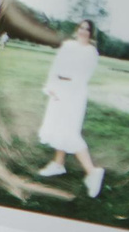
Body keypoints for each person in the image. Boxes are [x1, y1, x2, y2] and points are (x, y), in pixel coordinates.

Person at [35, 19, 107, 199]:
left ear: (91, 34)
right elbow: (55, 67)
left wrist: (65, 93)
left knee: (69, 132)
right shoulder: (67, 45)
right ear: (77, 29)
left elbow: (83, 77)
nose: (83, 31)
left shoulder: (91, 52)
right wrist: (51, 86)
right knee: (58, 128)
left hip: (73, 95)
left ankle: (92, 172)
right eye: (81, 27)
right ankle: (58, 164)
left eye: (87, 29)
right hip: (58, 90)